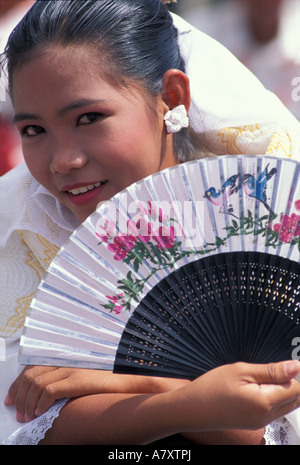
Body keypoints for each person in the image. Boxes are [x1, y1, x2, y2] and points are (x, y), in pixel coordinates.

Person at [1, 0, 300, 445]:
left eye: (89, 118)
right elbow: (24, 421)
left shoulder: (261, 216)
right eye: (33, 130)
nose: (64, 160)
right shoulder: (25, 234)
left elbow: (263, 423)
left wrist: (132, 384)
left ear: (172, 98)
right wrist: (188, 400)